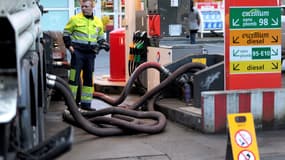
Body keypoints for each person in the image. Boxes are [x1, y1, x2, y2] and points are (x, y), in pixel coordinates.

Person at [63, 0, 105, 111]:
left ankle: (86, 105)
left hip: (90, 54)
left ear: (92, 7)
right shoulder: (74, 19)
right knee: (74, 79)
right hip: (77, 53)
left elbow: (101, 38)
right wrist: (70, 47)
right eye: (82, 6)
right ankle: (71, 105)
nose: (83, 8)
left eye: (86, 6)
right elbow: (66, 34)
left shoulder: (97, 21)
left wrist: (99, 47)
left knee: (88, 80)